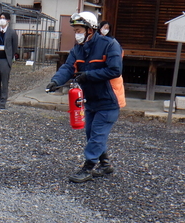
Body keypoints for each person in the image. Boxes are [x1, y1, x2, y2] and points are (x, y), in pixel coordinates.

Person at [46, 12, 125, 183]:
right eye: (75, 30)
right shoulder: (78, 49)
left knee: (97, 134)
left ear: (90, 29)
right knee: (92, 134)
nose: (77, 34)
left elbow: (114, 70)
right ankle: (105, 165)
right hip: (91, 99)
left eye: (79, 30)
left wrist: (87, 76)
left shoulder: (109, 45)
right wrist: (55, 81)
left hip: (109, 100)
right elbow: (68, 67)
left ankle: (88, 167)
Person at [0, 12, 18, 109]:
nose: (2, 19)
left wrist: (10, 58)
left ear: (8, 20)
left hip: (5, 60)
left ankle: (3, 102)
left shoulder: (12, 33)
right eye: (0, 18)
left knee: (4, 82)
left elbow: (14, 47)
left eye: (4, 18)